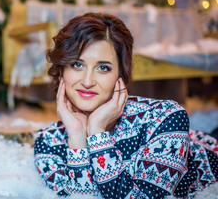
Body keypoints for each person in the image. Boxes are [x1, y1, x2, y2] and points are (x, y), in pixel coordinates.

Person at [33, 12, 218, 198]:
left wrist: (98, 132)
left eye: (103, 68)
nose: (87, 81)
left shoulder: (166, 117)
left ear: (121, 74)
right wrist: (77, 138)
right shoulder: (48, 143)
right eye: (77, 65)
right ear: (61, 71)